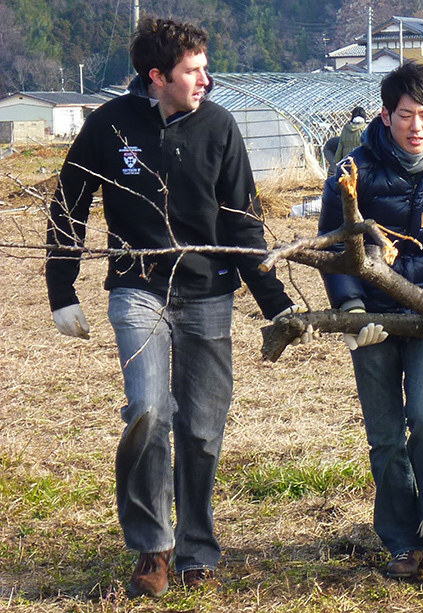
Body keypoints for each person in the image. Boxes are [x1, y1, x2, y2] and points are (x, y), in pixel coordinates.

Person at [45, 16, 309, 597]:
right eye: (193, 71)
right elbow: (69, 203)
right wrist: (61, 289)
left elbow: (243, 224)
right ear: (157, 76)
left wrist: (277, 304)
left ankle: (195, 546)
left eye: (206, 69)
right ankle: (151, 547)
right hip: (137, 291)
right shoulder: (111, 127)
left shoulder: (219, 126)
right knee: (147, 409)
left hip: (208, 294)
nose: (205, 81)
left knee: (202, 428)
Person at [318, 62, 423, 579]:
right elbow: (335, 249)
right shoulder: (355, 171)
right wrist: (351, 310)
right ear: (386, 115)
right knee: (387, 435)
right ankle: (398, 538)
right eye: (407, 115)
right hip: (371, 316)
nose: (418, 126)